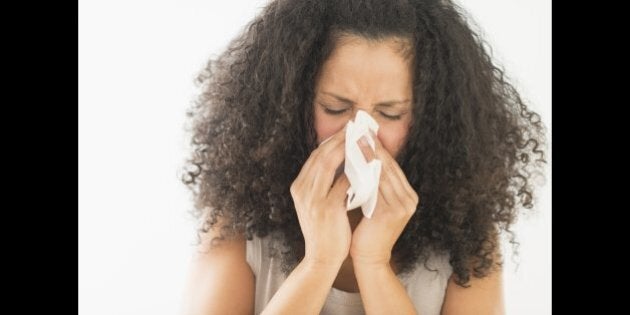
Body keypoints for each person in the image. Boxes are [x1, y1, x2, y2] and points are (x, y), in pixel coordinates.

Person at [181, 0, 546, 314]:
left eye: (389, 113)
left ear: (427, 119)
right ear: (290, 105)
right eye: (335, 108)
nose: (360, 135)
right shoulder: (237, 227)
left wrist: (373, 265)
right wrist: (319, 263)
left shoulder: (466, 238)